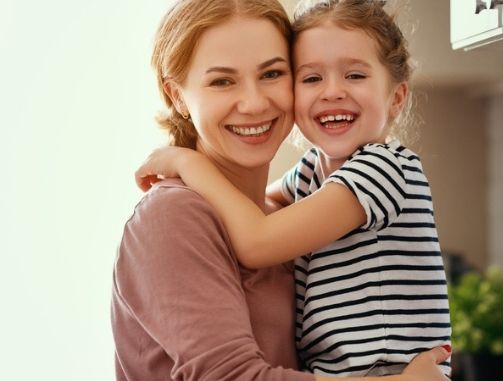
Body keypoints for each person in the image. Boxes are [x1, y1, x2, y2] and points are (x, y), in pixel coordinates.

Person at [113, 0, 451, 380]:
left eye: (272, 73)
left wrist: (190, 165)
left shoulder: (287, 211)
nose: (254, 102)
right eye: (222, 80)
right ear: (176, 95)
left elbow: (261, 223)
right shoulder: (173, 217)